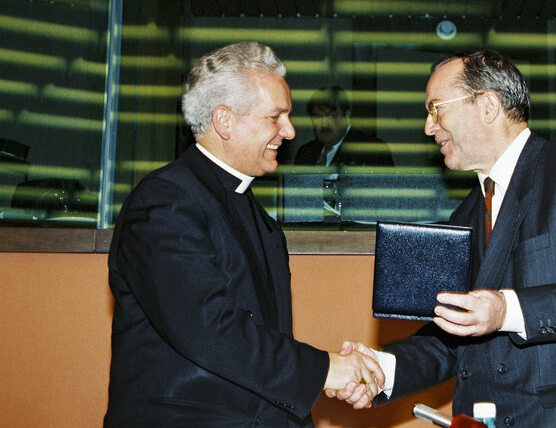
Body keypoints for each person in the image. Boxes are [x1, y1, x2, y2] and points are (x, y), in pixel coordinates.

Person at [336, 50, 556, 427]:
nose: (428, 128)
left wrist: (504, 309)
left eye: (436, 110)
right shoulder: (464, 215)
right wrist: (382, 369)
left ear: (487, 105)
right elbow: (456, 331)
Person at [104, 41, 383, 427]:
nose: (289, 131)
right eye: (276, 116)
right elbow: (206, 328)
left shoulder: (252, 211)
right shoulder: (164, 202)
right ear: (225, 121)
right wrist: (324, 370)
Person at [294, 85, 394, 168]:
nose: (324, 124)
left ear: (347, 116)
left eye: (331, 116)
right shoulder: (305, 153)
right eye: (317, 117)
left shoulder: (372, 151)